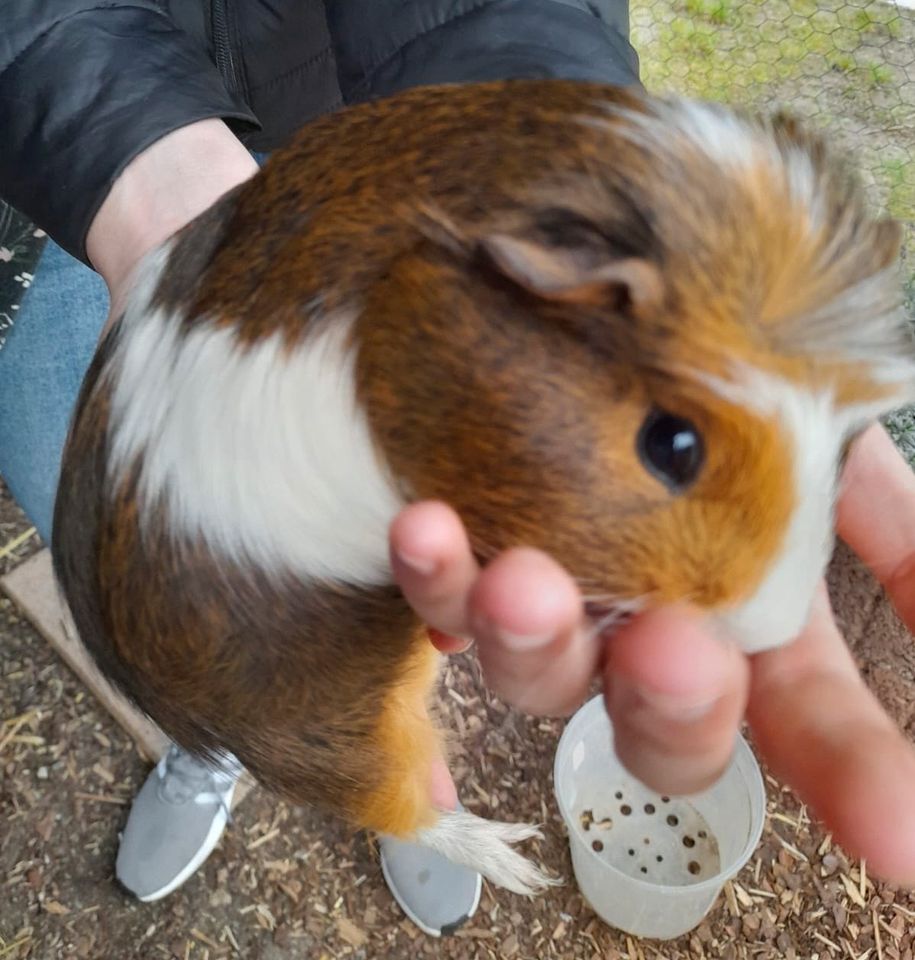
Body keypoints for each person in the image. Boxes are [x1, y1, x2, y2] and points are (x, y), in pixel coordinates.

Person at [1, 0, 914, 939]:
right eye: (672, 447)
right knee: (58, 466)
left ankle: (404, 789)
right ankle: (222, 744)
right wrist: (137, 158)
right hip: (130, 147)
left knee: (420, 607)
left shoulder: (515, 294)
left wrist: (550, 133)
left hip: (379, 122)